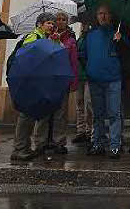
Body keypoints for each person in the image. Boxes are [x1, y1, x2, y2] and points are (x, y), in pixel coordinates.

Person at [79, 5, 124, 158]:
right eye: (100, 13)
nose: (103, 16)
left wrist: (120, 41)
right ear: (97, 16)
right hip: (95, 79)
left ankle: (115, 146)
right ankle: (97, 143)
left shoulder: (117, 34)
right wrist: (89, 70)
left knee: (113, 114)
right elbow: (82, 54)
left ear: (111, 16)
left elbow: (127, 54)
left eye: (106, 13)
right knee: (97, 115)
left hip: (113, 79)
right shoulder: (91, 35)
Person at [11, 12, 56, 162]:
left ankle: (24, 147)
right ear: (39, 24)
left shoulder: (44, 39)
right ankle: (20, 149)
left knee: (30, 116)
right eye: (48, 23)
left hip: (37, 81)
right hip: (29, 81)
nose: (51, 25)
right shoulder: (33, 37)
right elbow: (25, 58)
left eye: (52, 23)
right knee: (26, 116)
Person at [48, 10, 78, 154]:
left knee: (61, 112)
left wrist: (73, 80)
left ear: (67, 22)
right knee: (48, 111)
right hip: (49, 79)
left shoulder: (70, 40)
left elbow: (73, 62)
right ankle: (46, 141)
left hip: (63, 80)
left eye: (63, 19)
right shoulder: (48, 37)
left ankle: (59, 141)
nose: (60, 22)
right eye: (58, 19)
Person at [72, 21, 94, 145]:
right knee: (79, 103)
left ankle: (89, 131)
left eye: (86, 24)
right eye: (83, 24)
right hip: (79, 74)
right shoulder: (79, 38)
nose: (84, 26)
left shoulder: (90, 38)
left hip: (88, 75)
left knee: (88, 104)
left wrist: (80, 55)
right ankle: (80, 130)